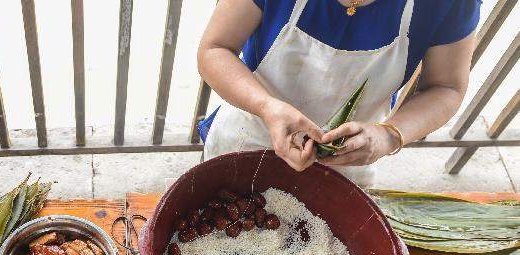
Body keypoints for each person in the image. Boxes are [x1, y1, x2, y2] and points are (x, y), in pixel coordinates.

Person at [197, 0, 479, 188]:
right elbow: (215, 49)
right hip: (249, 138)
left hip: (346, 165)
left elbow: (446, 87)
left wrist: (389, 135)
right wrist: (267, 107)